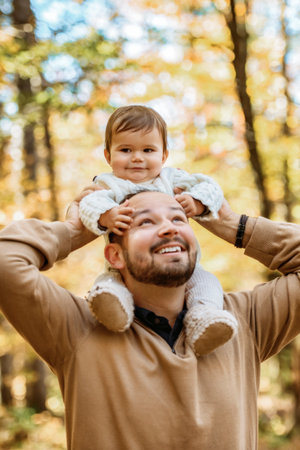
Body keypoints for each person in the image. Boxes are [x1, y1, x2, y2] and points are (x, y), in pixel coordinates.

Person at [0, 189, 299, 450]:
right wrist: (77, 229)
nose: (169, 229)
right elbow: (6, 260)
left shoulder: (243, 321)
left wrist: (234, 225)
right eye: (145, 222)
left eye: (179, 218)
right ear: (115, 256)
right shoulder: (75, 328)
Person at [79, 104, 237, 356]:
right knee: (108, 282)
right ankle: (113, 307)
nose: (137, 157)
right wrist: (106, 215)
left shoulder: (171, 179)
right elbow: (88, 203)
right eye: (126, 150)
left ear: (164, 156)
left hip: (184, 264)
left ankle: (204, 316)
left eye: (148, 150)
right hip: (124, 266)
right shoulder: (109, 183)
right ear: (108, 156)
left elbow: (210, 186)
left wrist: (197, 200)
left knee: (206, 282)